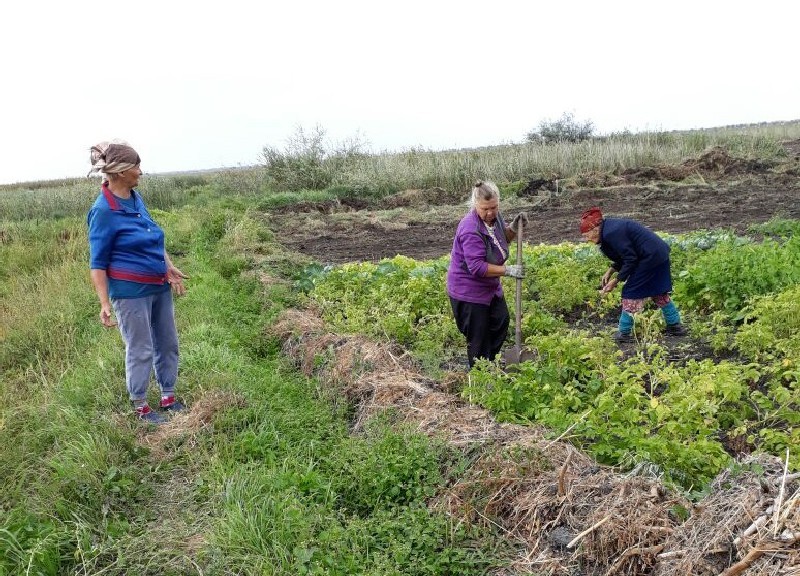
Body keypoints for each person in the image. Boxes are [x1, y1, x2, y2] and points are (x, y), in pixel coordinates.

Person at [87, 140, 189, 424]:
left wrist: (168, 267)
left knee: (167, 342)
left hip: (158, 284)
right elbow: (98, 262)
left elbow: (152, 234)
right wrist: (105, 303)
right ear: (120, 171)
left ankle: (168, 395)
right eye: (136, 166)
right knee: (141, 347)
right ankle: (141, 405)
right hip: (130, 292)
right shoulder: (103, 211)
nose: (141, 171)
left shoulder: (134, 197)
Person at [446, 180, 527, 368]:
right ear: (476, 205)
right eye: (485, 209)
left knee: (501, 322)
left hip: (489, 288)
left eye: (494, 207)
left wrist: (513, 229)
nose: (490, 213)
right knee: (479, 338)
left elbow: (499, 241)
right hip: (469, 292)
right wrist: (508, 270)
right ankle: (478, 377)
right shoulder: (470, 228)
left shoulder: (494, 218)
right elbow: (476, 267)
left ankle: (488, 364)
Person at [579, 207, 687, 342]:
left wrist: (616, 280)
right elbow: (626, 254)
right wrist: (611, 270)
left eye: (586, 235)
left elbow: (631, 259)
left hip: (650, 257)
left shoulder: (611, 233)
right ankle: (675, 326)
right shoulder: (609, 229)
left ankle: (624, 333)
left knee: (631, 292)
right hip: (656, 254)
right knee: (658, 291)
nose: (586, 239)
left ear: (595, 229)